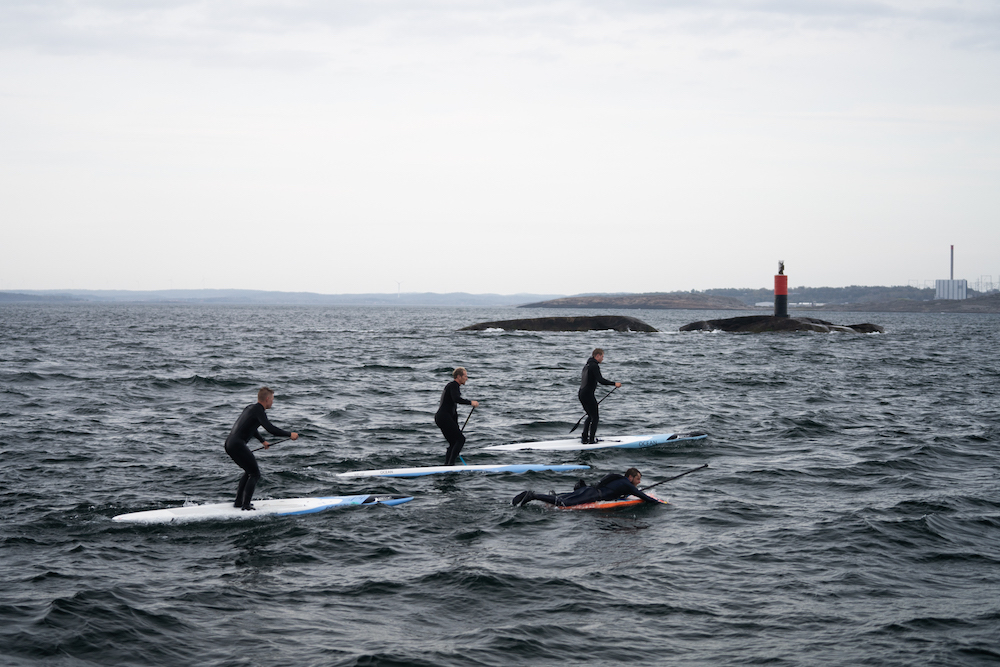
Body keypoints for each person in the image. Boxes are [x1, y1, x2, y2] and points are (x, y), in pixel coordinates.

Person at [224, 387, 299, 510]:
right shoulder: (259, 411)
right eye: (272, 400)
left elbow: (251, 427)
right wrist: (289, 434)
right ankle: (246, 505)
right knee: (255, 474)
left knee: (249, 471)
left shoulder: (251, 408)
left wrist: (262, 441)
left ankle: (239, 502)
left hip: (230, 443)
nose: (273, 403)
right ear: (267, 399)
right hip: (237, 444)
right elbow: (271, 429)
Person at [511, 468, 658, 507]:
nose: (639, 482)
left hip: (589, 490)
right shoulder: (627, 483)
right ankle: (532, 496)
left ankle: (530, 495)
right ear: (631, 477)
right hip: (592, 496)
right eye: (638, 479)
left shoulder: (619, 479)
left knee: (562, 498)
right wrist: (659, 503)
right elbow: (642, 496)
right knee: (564, 503)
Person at [435, 367, 479, 466]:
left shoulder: (451, 387)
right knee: (461, 439)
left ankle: (447, 465)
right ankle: (451, 464)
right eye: (465, 376)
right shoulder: (453, 385)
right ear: (458, 376)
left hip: (441, 418)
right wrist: (471, 402)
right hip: (444, 417)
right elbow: (456, 399)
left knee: (454, 442)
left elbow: (453, 410)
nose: (467, 378)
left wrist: (456, 426)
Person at [578, 348, 621, 444]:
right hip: (588, 394)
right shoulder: (594, 366)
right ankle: (592, 440)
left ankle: (584, 438)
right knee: (595, 417)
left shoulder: (587, 365)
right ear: (597, 356)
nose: (603, 359)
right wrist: (614, 383)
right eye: (602, 356)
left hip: (581, 393)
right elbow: (600, 380)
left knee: (590, 415)